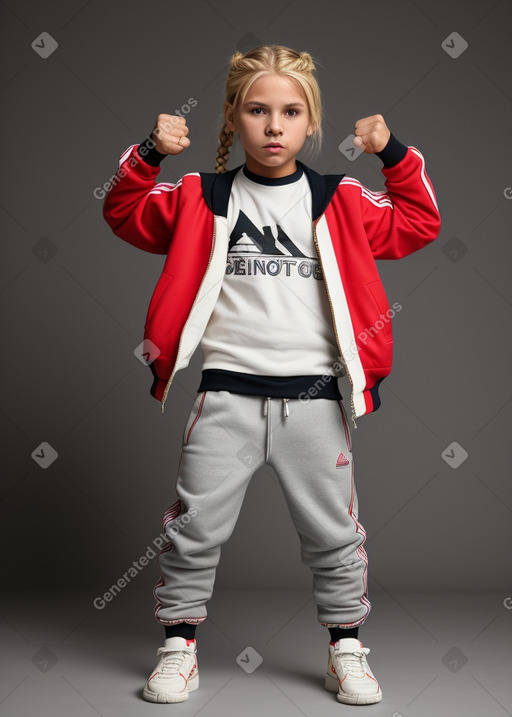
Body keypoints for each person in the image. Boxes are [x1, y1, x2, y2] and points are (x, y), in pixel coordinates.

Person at [102, 44, 441, 706]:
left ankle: (347, 648)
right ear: (231, 118)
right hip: (226, 394)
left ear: (312, 123)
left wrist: (391, 150)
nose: (275, 126)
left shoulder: (337, 199)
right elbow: (122, 211)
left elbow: (420, 222)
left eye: (291, 112)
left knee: (335, 534)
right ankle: (179, 647)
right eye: (258, 110)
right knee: (193, 528)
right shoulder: (202, 195)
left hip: (314, 400)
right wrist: (150, 150)